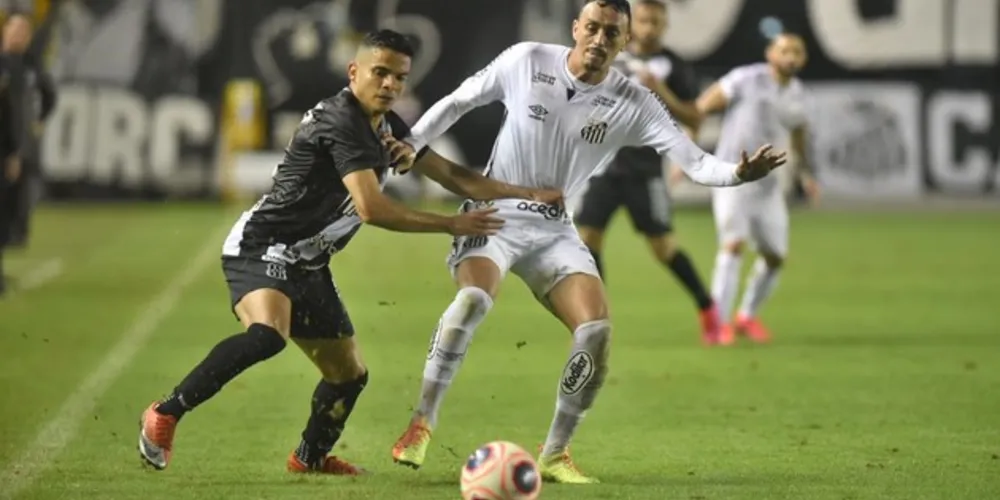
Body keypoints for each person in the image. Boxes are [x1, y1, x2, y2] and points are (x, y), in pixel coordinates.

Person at [385, 0, 785, 484]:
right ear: (576, 28)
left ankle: (555, 453)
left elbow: (696, 161)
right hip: (493, 215)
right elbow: (459, 101)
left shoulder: (633, 101)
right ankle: (421, 423)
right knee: (472, 299)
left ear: (624, 42)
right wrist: (413, 141)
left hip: (554, 229)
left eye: (611, 33)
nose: (599, 39)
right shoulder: (527, 60)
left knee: (596, 330)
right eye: (592, 27)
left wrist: (739, 173)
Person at [137, 30, 561, 474]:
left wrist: (529, 193)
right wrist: (451, 224)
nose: (390, 85)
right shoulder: (342, 121)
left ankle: (309, 458)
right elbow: (372, 208)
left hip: (310, 262)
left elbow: (458, 177)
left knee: (348, 377)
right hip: (263, 246)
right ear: (354, 72)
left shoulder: (387, 127)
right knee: (267, 335)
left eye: (399, 77)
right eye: (380, 73)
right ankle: (164, 413)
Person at [572, 0, 721, 344]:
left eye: (656, 21)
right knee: (587, 242)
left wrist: (661, 90)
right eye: (643, 20)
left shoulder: (675, 67)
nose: (649, 27)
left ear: (665, 26)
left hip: (646, 169)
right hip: (603, 167)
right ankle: (595, 322)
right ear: (630, 24)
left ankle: (708, 309)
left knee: (664, 248)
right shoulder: (609, 56)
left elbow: (695, 117)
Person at [695, 33, 820, 345]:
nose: (790, 56)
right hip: (733, 177)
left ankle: (746, 315)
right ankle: (718, 324)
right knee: (733, 245)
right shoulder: (746, 79)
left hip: (768, 186)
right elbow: (704, 105)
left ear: (803, 59)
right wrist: (685, 146)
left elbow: (799, 135)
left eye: (797, 51)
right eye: (785, 50)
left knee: (775, 256)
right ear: (770, 54)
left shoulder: (799, 95)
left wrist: (806, 174)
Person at [1, 13, 56, 251]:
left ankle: (17, 233)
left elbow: (49, 94)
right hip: (4, 139)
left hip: (19, 136)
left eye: (23, 31)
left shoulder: (31, 65)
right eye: (14, 30)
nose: (18, 35)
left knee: (21, 188)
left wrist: (39, 120)